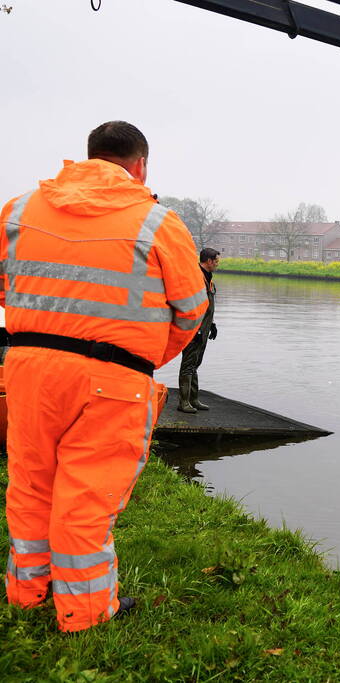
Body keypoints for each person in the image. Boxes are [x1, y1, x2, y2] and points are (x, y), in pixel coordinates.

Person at [1, 121, 208, 633]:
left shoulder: (21, 209)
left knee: (30, 485)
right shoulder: (158, 222)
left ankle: (28, 593)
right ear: (140, 165)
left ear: (89, 156)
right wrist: (144, 357)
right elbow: (191, 310)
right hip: (113, 382)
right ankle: (85, 613)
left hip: (27, 370)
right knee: (86, 499)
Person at [177, 247, 219, 413]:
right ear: (209, 261)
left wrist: (212, 324)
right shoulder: (195, 277)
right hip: (193, 330)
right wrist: (195, 329)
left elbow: (206, 306)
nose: (217, 264)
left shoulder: (208, 278)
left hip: (204, 328)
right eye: (216, 261)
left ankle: (193, 399)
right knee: (188, 365)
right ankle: (184, 402)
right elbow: (190, 305)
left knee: (195, 364)